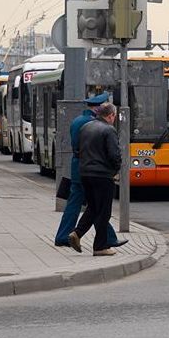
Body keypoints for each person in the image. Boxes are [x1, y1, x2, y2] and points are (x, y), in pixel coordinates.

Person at [55, 94, 125, 249]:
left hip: (80, 167)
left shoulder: (78, 121)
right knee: (98, 206)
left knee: (84, 204)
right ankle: (102, 240)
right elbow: (110, 153)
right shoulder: (93, 124)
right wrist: (113, 169)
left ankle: (65, 235)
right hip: (93, 169)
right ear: (98, 108)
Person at [68, 103, 122, 256]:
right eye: (114, 117)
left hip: (85, 173)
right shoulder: (109, 130)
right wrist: (116, 170)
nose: (114, 119)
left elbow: (77, 149)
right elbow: (114, 155)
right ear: (111, 115)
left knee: (93, 207)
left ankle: (76, 234)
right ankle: (100, 246)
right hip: (103, 175)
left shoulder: (86, 127)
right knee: (104, 211)